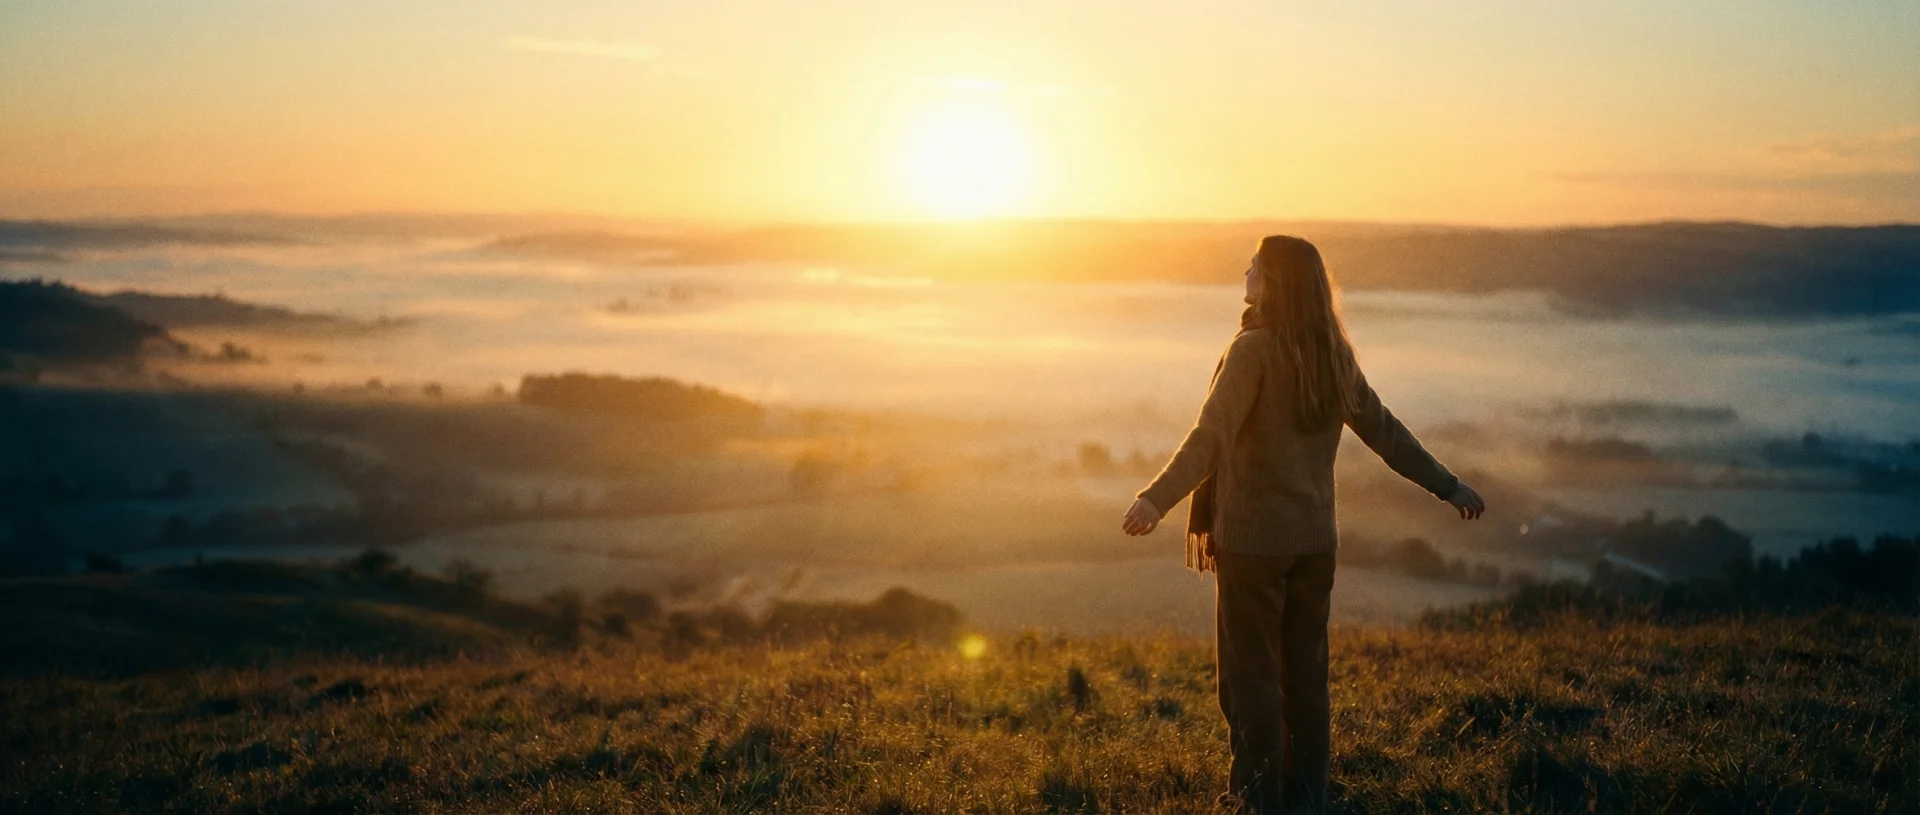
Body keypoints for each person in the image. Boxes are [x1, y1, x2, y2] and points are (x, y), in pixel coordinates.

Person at [1119, 235, 1485, 814]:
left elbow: (1209, 437)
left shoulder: (1254, 351)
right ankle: (1307, 798)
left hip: (1253, 545)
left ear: (1275, 283)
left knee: (1250, 682)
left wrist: (1156, 498)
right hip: (1315, 545)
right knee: (1307, 681)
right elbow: (1386, 432)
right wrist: (1449, 485)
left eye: (1256, 268)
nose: (1246, 271)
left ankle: (1257, 801)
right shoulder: (1330, 352)